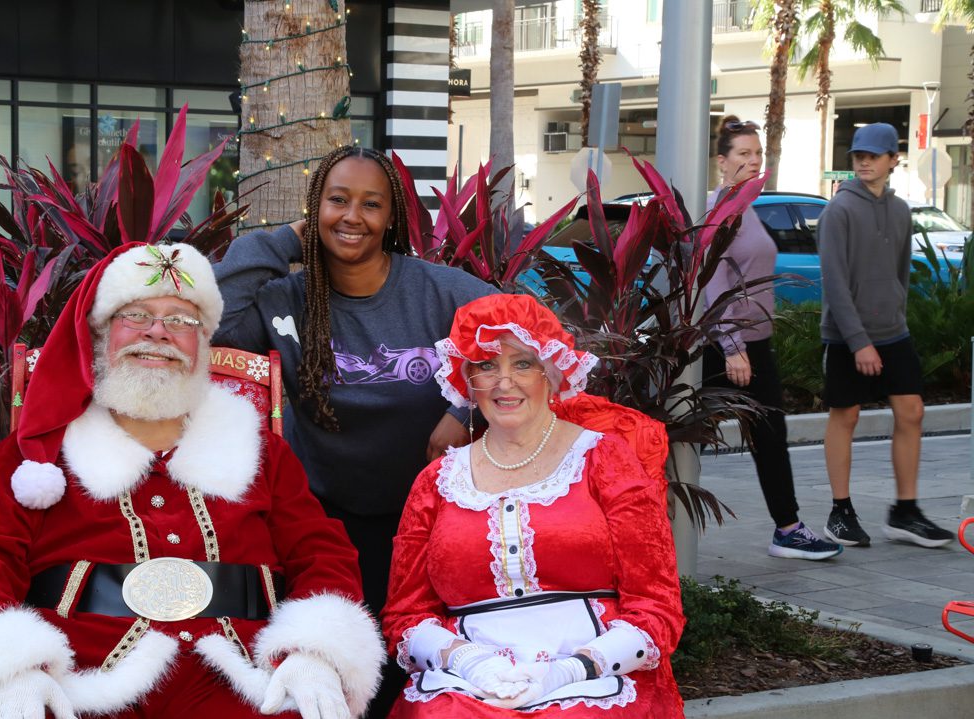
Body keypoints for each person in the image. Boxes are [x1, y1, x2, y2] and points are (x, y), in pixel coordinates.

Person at [0, 242, 385, 719]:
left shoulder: (262, 452)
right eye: (136, 315)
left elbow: (320, 552)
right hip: (79, 683)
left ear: (202, 344)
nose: (158, 332)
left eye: (182, 320)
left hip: (247, 681)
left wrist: (313, 652)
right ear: (101, 334)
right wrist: (9, 671)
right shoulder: (33, 456)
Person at [213, 145, 496, 614]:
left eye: (371, 204)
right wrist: (282, 242)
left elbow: (529, 340)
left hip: (431, 514)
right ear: (315, 208)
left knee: (413, 643)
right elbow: (211, 323)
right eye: (338, 200)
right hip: (321, 521)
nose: (352, 216)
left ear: (391, 218)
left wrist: (466, 409)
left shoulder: (439, 291)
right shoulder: (285, 300)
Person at [382, 294, 685, 717]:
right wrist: (468, 661)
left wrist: (572, 670)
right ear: (467, 380)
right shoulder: (435, 482)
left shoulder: (606, 460)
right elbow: (406, 613)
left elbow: (656, 603)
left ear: (552, 373)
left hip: (596, 671)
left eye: (523, 363)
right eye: (487, 365)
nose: (504, 383)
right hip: (466, 680)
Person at [702, 116, 843, 561]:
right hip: (724, 347)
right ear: (722, 161)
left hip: (753, 343)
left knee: (770, 434)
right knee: (682, 439)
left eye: (758, 153)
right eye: (743, 154)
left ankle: (788, 529)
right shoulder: (719, 210)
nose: (753, 161)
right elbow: (712, 284)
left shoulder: (747, 208)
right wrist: (732, 347)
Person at [818, 122, 954, 549]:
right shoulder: (838, 211)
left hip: (893, 332)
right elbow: (834, 283)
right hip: (846, 336)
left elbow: (900, 273)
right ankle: (840, 513)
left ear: (894, 160)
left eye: (873, 156)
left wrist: (895, 315)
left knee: (912, 411)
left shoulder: (900, 211)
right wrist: (859, 341)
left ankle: (905, 512)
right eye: (859, 155)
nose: (864, 162)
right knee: (846, 416)